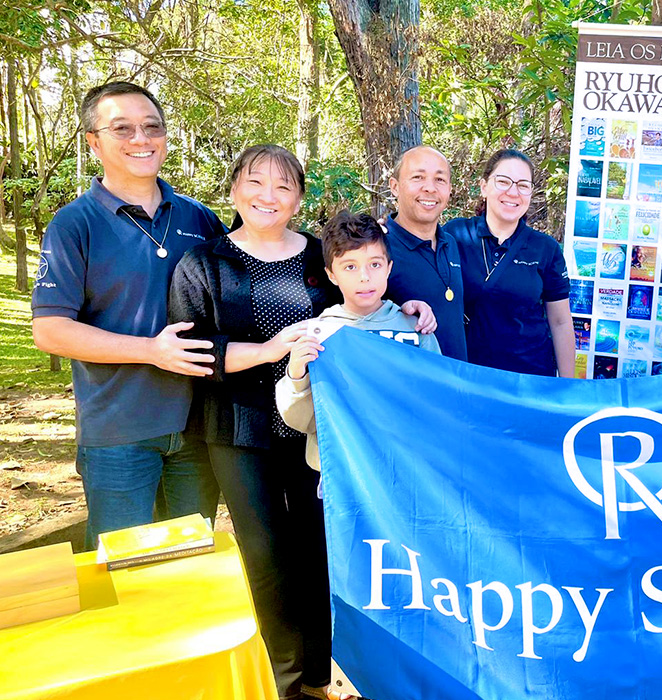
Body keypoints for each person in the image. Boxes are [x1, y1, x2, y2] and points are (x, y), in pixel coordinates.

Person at [168, 145, 435, 700]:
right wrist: (272, 352)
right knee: (266, 557)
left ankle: (321, 673)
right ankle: (283, 679)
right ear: (234, 189)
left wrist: (414, 308)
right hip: (241, 430)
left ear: (298, 197)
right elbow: (193, 350)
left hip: (323, 437)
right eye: (255, 182)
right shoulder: (204, 263)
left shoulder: (319, 254)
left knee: (322, 551)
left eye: (283, 185)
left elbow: (365, 294)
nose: (268, 196)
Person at [31, 81, 223, 550]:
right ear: (94, 142)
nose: (141, 138)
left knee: (191, 566)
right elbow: (50, 330)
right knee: (122, 572)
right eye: (122, 129)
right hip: (118, 433)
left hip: (199, 428)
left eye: (152, 127)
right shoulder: (74, 224)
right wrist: (152, 351)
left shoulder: (199, 218)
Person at [276, 211, 441, 472]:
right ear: (331, 274)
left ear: (389, 268)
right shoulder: (320, 333)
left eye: (374, 264)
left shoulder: (415, 327)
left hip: (406, 466)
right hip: (343, 471)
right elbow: (303, 419)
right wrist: (296, 375)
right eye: (350, 267)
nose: (364, 276)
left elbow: (438, 399)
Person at [443, 149, 574, 377]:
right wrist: (387, 235)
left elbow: (560, 321)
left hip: (529, 378)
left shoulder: (545, 248)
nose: (513, 192)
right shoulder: (455, 234)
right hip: (468, 375)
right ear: (484, 187)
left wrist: (568, 385)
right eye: (503, 181)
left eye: (523, 185)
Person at [384, 145, 467, 361]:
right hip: (409, 379)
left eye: (440, 179)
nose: (430, 188)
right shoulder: (376, 248)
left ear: (450, 189)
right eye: (418, 177)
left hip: (457, 376)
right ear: (395, 186)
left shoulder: (450, 243)